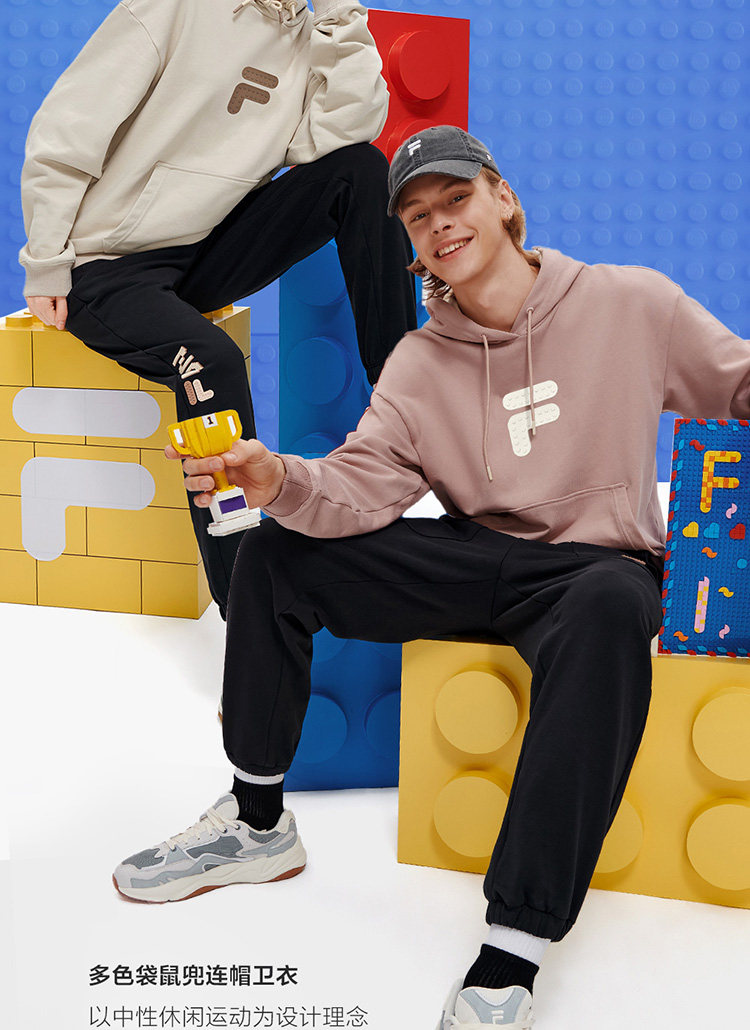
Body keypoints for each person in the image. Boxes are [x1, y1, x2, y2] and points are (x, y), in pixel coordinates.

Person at [112, 126, 750, 1028]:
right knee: (274, 554)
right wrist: (276, 477)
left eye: (456, 198)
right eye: (417, 216)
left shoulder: (631, 304)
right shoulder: (418, 362)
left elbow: (738, 386)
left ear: (503, 198)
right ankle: (257, 824)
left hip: (595, 570)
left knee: (612, 600)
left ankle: (515, 946)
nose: (440, 223)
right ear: (410, 243)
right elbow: (359, 487)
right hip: (472, 559)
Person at [18, 0, 416, 617]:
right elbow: (69, 126)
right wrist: (46, 260)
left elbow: (342, 136)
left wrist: (340, 20)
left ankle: (411, 402)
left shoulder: (310, 34)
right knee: (213, 361)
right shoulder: (174, 6)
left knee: (362, 170)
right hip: (108, 263)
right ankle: (248, 604)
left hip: (203, 250)